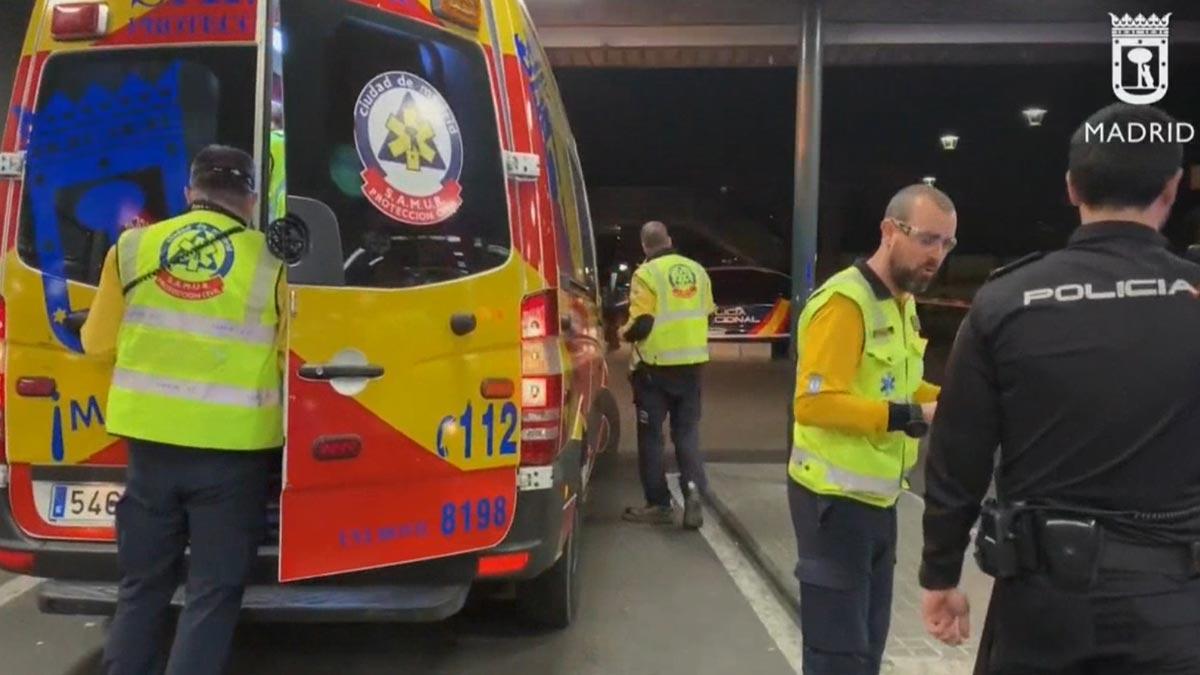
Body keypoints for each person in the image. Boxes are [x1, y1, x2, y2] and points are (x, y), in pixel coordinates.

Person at [919, 102, 1200, 674]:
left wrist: (940, 574)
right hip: (1178, 608)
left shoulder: (1006, 301)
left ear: (1072, 188)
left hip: (1043, 608)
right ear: (1172, 189)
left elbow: (958, 453)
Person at [82, 145, 286, 675]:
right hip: (233, 453)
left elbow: (96, 343)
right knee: (212, 593)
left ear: (189, 193)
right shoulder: (271, 261)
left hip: (150, 450)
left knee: (142, 587)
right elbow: (291, 355)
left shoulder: (131, 250)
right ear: (250, 198)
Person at [789, 183, 956, 674]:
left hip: (878, 503)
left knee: (867, 648)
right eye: (927, 239)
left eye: (947, 244)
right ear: (889, 231)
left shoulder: (900, 301)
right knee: (838, 654)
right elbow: (814, 404)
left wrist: (952, 400)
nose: (936, 256)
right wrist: (908, 417)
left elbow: (898, 382)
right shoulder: (845, 303)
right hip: (834, 506)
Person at [620, 221, 715, 529]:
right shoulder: (698, 271)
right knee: (686, 433)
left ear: (645, 246)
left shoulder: (645, 274)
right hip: (692, 366)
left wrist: (622, 333)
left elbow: (643, 324)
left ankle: (659, 504)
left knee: (651, 437)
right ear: (670, 240)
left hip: (654, 369)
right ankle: (693, 493)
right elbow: (709, 313)